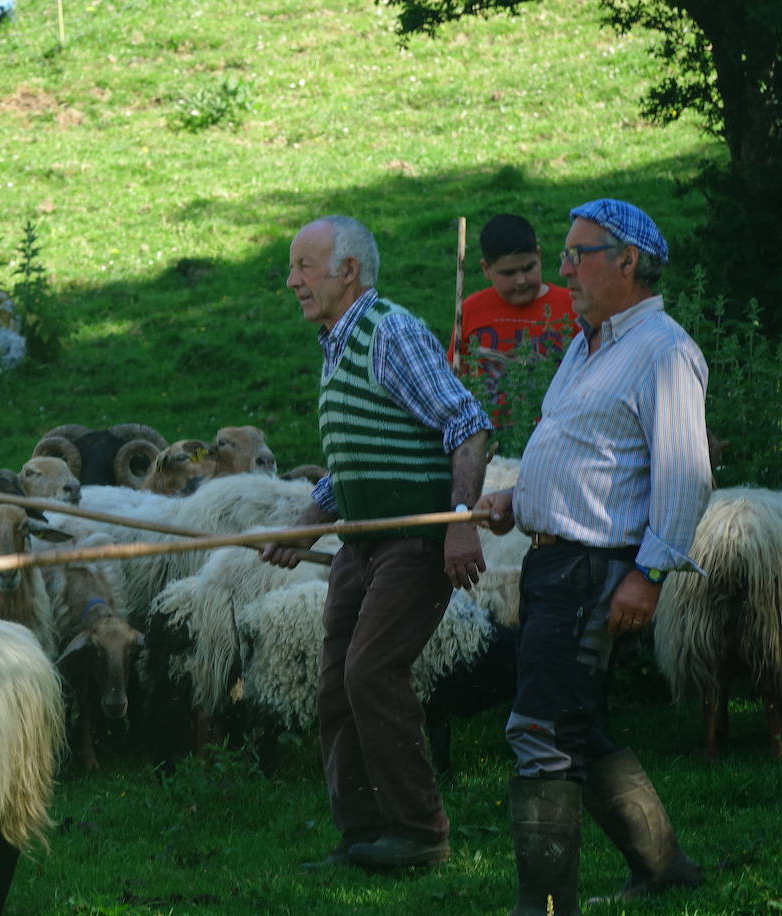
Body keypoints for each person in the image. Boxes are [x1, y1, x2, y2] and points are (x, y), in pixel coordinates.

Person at [474, 199, 712, 914]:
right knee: (573, 724)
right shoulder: (589, 343)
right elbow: (587, 450)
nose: (565, 270)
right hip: (555, 565)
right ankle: (664, 866)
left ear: (628, 261)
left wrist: (650, 574)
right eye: (567, 254)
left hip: (594, 571)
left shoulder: (663, 351)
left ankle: (544, 904)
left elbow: (686, 473)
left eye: (580, 255)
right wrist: (521, 494)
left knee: (540, 731)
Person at [261, 215, 491, 871]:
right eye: (293, 267)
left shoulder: (389, 331)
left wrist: (459, 520)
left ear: (348, 270)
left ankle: (421, 833)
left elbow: (467, 425)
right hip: (361, 547)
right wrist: (310, 518)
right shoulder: (337, 345)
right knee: (336, 685)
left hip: (413, 543)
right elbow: (357, 458)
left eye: (304, 266)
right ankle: (361, 837)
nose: (292, 281)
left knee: (371, 671)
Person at [446, 213, 576, 378]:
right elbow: (455, 370)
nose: (521, 280)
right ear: (486, 269)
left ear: (539, 256)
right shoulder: (470, 309)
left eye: (529, 268)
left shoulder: (572, 305)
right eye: (508, 273)